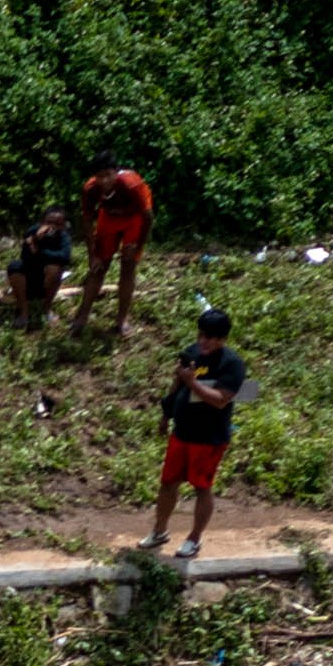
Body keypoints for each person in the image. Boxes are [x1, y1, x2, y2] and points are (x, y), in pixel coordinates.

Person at [138, 306, 247, 559]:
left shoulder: (232, 364)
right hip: (182, 432)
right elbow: (177, 384)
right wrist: (166, 413)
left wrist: (192, 382)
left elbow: (220, 399)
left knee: (202, 487)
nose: (203, 342)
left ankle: (194, 538)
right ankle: (159, 531)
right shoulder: (192, 353)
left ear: (222, 339)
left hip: (209, 438)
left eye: (210, 338)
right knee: (167, 483)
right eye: (201, 335)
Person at [69, 153, 153, 338]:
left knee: (128, 266)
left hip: (134, 220)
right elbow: (87, 221)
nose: (104, 180)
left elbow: (147, 216)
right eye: (100, 176)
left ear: (116, 172)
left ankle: (122, 319)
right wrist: (93, 254)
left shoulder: (132, 185)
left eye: (108, 175)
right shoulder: (91, 189)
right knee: (98, 268)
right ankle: (81, 316)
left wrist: (138, 247)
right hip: (109, 218)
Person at [10, 207, 72, 327]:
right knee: (14, 266)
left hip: (47, 282)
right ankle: (24, 312)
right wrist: (36, 239)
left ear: (63, 225)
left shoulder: (63, 237)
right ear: (42, 223)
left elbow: (64, 257)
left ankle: (47, 309)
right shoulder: (33, 232)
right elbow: (25, 256)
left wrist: (40, 252)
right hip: (28, 278)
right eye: (49, 222)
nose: (52, 227)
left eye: (57, 224)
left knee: (55, 268)